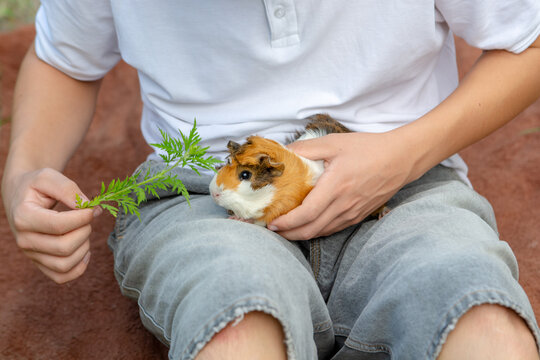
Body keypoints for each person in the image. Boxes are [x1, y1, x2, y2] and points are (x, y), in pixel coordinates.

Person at [2, 1, 540, 359]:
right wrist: (23, 170)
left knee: (483, 319)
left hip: (404, 183)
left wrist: (403, 154)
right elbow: (64, 61)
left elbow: (528, 42)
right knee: (236, 323)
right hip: (202, 198)